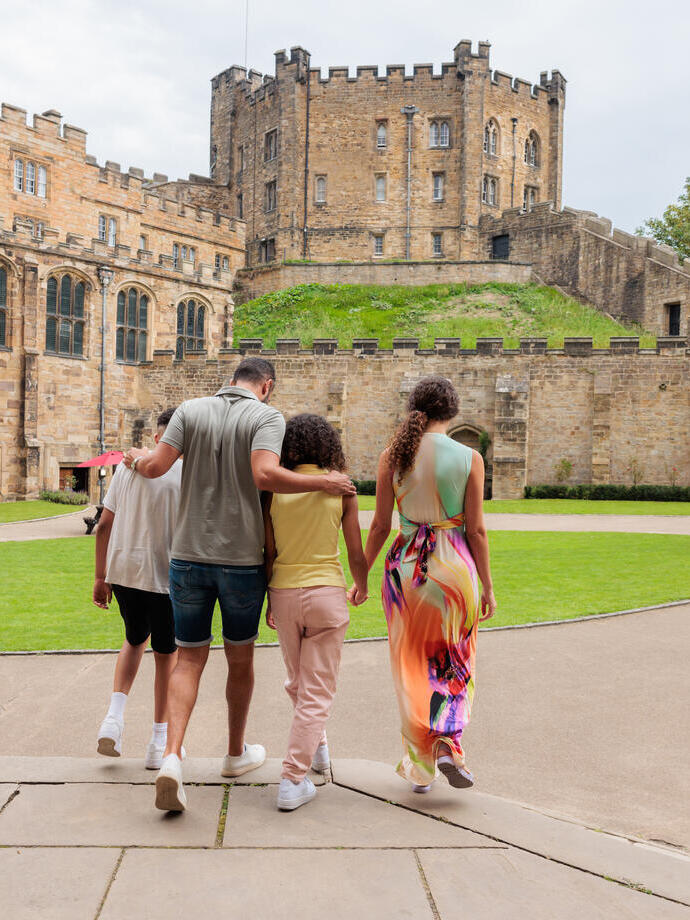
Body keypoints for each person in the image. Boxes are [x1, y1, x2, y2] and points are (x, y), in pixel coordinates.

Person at [123, 357, 356, 812]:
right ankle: (234, 754)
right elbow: (264, 475)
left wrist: (134, 457)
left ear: (231, 380)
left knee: (188, 660)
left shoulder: (190, 410)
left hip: (188, 556)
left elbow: (153, 467)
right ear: (265, 386)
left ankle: (172, 757)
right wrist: (325, 482)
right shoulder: (266, 416)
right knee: (239, 659)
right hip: (239, 562)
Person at [351, 376, 496, 792]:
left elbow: (379, 526)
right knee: (454, 660)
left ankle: (420, 764)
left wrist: (360, 579)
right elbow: (477, 531)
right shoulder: (469, 458)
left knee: (411, 666)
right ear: (451, 413)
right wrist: (487, 586)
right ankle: (449, 742)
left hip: (406, 572)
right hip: (454, 571)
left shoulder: (392, 456)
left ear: (415, 409)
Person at [263, 414, 368, 811]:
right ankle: (292, 779)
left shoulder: (275, 490)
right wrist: (362, 584)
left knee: (298, 684)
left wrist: (269, 598)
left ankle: (317, 750)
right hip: (326, 592)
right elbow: (355, 551)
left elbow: (269, 552)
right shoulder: (341, 488)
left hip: (285, 592)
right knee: (313, 691)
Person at [94, 407, 182, 769]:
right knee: (167, 655)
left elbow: (104, 525)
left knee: (134, 639)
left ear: (157, 437)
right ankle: (158, 740)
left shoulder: (127, 468)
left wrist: (100, 577)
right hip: (165, 575)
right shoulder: (185, 472)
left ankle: (113, 720)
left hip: (125, 571)